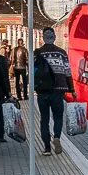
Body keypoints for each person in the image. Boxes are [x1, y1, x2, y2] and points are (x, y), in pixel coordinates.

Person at [33, 26, 75, 154]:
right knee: (57, 117)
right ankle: (56, 137)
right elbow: (67, 72)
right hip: (58, 91)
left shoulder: (37, 53)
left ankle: (46, 148)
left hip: (42, 92)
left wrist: (33, 88)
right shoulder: (61, 53)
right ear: (54, 38)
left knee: (44, 119)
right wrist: (72, 89)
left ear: (43, 38)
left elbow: (33, 72)